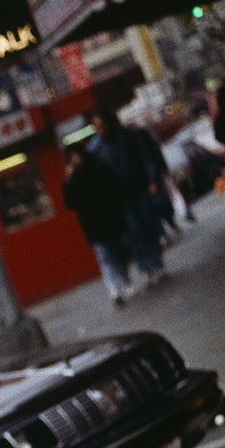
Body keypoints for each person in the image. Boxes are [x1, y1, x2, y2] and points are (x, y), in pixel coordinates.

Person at [90, 108, 169, 285]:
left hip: (138, 186)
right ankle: (147, 265)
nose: (100, 130)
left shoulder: (129, 136)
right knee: (134, 230)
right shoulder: (98, 148)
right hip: (119, 196)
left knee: (147, 224)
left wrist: (152, 180)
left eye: (101, 126)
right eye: (97, 127)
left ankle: (155, 261)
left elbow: (145, 157)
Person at [63, 139, 133, 304]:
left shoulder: (98, 168)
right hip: (92, 223)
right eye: (72, 157)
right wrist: (70, 179)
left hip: (108, 217)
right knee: (104, 255)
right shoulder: (71, 178)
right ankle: (114, 288)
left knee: (117, 252)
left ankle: (124, 279)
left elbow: (113, 187)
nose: (76, 160)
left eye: (77, 156)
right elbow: (69, 202)